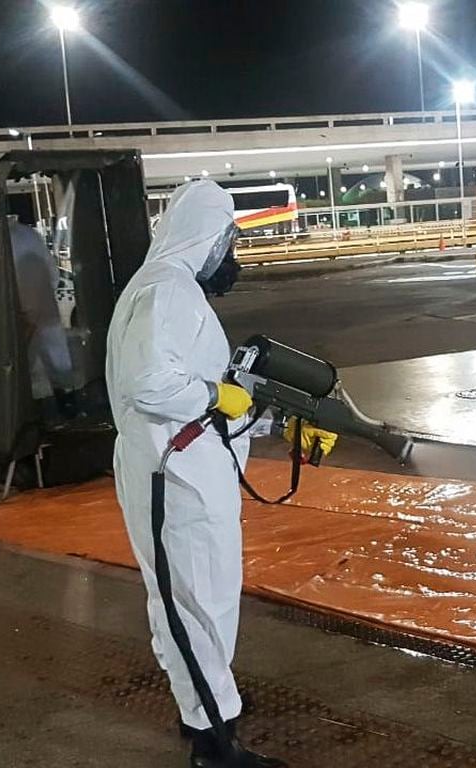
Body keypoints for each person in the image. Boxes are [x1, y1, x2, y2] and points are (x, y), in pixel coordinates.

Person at [107, 180, 334, 767]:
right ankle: (214, 747)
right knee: (194, 604)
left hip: (185, 465)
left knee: (196, 598)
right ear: (204, 236)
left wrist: (270, 424)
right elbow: (152, 385)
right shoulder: (168, 292)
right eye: (227, 241)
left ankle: (204, 701)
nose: (230, 255)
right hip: (174, 478)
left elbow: (203, 398)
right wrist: (218, 395)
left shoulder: (169, 288)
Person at [9, 217, 76, 415]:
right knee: (59, 367)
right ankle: (69, 408)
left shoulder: (2, 241)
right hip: (45, 312)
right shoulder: (30, 236)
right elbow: (53, 275)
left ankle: (31, 416)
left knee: (23, 372)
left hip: (20, 317)